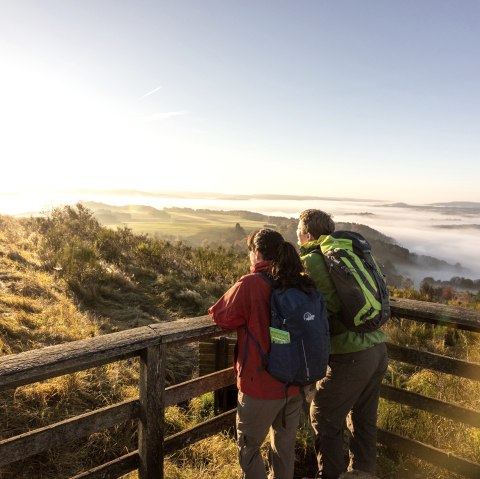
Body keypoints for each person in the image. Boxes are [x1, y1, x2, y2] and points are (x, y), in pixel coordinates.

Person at [209, 227, 316, 479]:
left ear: (256, 253)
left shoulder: (251, 284)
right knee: (283, 450)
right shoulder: (297, 280)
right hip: (293, 384)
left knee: (248, 449)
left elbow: (220, 315)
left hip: (260, 385)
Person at [297, 209, 388, 479]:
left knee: (323, 415)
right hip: (377, 349)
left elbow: (332, 305)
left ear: (308, 234)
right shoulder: (346, 253)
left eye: (299, 233)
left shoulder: (314, 259)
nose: (298, 238)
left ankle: (331, 475)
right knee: (363, 418)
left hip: (351, 355)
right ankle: (362, 473)